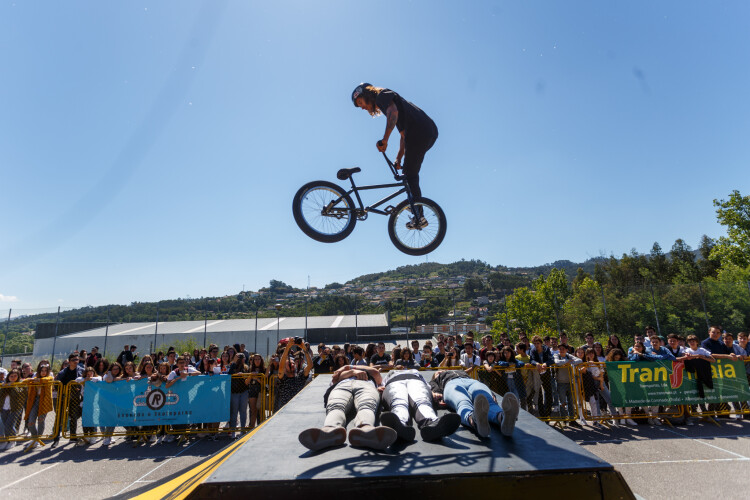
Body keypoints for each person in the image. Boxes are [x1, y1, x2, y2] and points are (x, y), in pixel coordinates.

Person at [351, 83, 438, 228]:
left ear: (366, 95)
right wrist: (399, 158)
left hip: (421, 130)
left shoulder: (381, 96)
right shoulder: (390, 104)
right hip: (426, 132)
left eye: (360, 103)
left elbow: (393, 112)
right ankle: (416, 207)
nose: (362, 108)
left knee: (410, 175)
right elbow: (404, 136)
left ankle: (418, 214)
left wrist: (385, 140)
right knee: (409, 173)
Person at [298, 365, 396, 452]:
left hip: (366, 385)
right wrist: (352, 371)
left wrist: (350, 367)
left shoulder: (370, 376)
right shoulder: (339, 377)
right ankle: (330, 429)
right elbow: (335, 378)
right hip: (342, 386)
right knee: (336, 405)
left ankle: (365, 429)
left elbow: (375, 373)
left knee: (367, 405)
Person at [429, 369, 520, 438]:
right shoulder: (437, 380)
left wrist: (491, 394)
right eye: (438, 372)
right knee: (463, 402)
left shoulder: (461, 372)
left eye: (442, 370)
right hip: (451, 384)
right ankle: (474, 420)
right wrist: (436, 394)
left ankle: (503, 418)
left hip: (471, 382)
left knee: (487, 400)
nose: (441, 371)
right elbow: (433, 387)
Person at [380, 368, 460, 442]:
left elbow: (427, 385)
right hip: (394, 382)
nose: (402, 368)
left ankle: (432, 423)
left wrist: (433, 393)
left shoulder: (415, 371)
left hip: (416, 380)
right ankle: (400, 424)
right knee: (398, 402)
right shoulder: (391, 372)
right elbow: (380, 384)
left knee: (422, 401)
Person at [53, 351, 85, 447]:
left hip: (75, 397)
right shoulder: (63, 372)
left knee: (73, 416)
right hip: (63, 397)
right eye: (74, 360)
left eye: (77, 359)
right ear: (69, 361)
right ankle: (56, 437)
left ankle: (73, 436)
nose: (76, 361)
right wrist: (63, 392)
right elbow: (56, 384)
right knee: (59, 417)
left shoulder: (81, 370)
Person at [23, 364, 54, 451]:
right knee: (31, 422)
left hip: (44, 401)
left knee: (41, 420)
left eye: (45, 371)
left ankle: (37, 439)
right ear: (39, 371)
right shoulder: (35, 377)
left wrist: (38, 380)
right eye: (42, 370)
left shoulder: (49, 377)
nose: (43, 372)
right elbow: (26, 381)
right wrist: (33, 379)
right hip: (35, 401)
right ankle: (35, 438)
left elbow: (47, 379)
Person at [275, 340, 313, 411]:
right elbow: (281, 366)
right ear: (285, 369)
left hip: (299, 409)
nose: (292, 365)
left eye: (293, 363)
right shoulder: (283, 379)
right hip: (286, 410)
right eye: (289, 364)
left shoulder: (300, 377)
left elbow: (310, 365)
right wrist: (287, 348)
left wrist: (304, 348)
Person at [553, 344, 581, 424]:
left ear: (566, 350)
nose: (561, 350)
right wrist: (567, 362)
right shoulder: (556, 355)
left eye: (563, 349)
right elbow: (557, 362)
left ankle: (572, 419)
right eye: (560, 349)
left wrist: (569, 362)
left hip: (570, 382)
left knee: (571, 402)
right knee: (562, 402)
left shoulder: (569, 356)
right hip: (560, 382)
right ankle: (563, 418)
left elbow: (579, 360)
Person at [529, 335, 555, 417]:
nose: (537, 345)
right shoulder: (533, 350)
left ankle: (548, 412)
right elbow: (531, 360)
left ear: (541, 343)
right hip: (537, 374)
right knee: (539, 394)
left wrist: (545, 363)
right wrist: (536, 363)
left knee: (549, 393)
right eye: (535, 343)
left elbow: (551, 359)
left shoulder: (546, 349)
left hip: (546, 374)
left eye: (538, 343)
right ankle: (542, 414)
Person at [0, 369, 24, 451]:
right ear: (8, 377)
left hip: (15, 408)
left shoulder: (20, 384)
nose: (13, 378)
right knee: (5, 424)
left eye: (15, 376)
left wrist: (13, 386)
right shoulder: (5, 384)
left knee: (9, 424)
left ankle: (12, 440)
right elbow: (1, 395)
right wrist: (4, 386)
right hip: (4, 408)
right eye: (11, 376)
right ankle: (7, 440)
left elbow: (16, 395)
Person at [247, 354, 265, 428]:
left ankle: (260, 428)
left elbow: (265, 383)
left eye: (258, 359)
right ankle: (251, 428)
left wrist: (257, 378)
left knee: (261, 411)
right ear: (253, 361)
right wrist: (251, 376)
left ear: (261, 360)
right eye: (255, 359)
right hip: (252, 391)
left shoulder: (264, 370)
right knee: (253, 411)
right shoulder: (249, 370)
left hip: (261, 391)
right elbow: (246, 382)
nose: (257, 361)